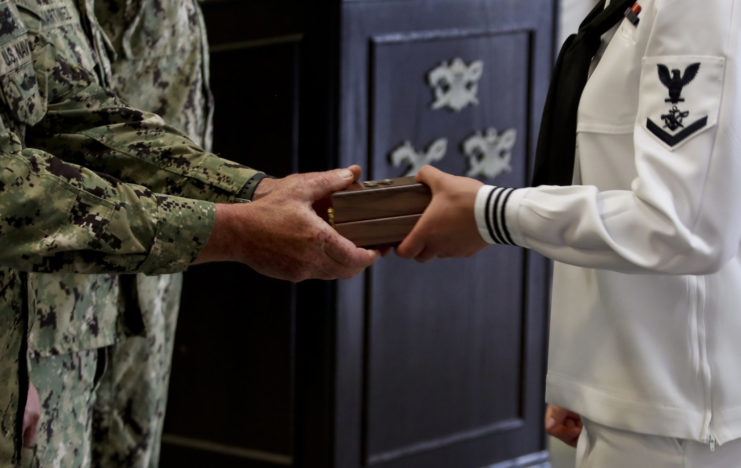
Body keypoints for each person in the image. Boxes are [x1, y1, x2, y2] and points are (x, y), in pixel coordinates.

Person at [0, 1, 379, 466]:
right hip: (40, 327)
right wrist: (232, 230)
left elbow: (76, 117)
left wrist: (257, 193)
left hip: (101, 307)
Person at [397, 0, 741, 466]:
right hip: (632, 391)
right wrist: (585, 367)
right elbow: (610, 176)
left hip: (680, 420)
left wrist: (491, 214)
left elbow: (681, 224)